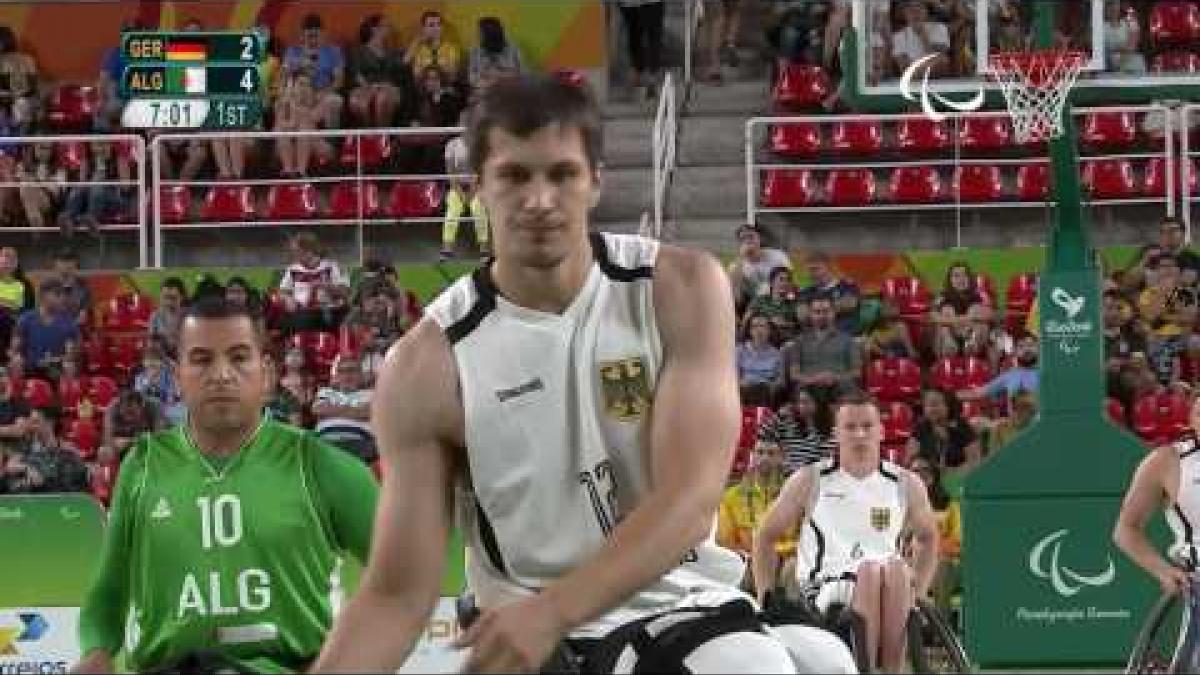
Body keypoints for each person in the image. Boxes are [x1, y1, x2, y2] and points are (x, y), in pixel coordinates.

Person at [312, 74, 802, 673]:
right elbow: (396, 596)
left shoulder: (680, 288)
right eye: (515, 176)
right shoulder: (427, 365)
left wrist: (554, 610)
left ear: (596, 180)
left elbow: (689, 503)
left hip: (685, 608)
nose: (539, 199)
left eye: (561, 174)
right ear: (476, 188)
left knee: (819, 660)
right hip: (537, 644)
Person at [71, 297, 379, 674]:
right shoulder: (142, 464)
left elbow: (405, 580)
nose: (221, 374)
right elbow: (109, 592)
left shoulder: (319, 464)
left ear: (266, 372)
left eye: (238, 357)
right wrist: (95, 654)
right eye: (201, 360)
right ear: (178, 374)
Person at [753, 392, 940, 674]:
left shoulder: (906, 484)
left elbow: (928, 537)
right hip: (825, 585)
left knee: (892, 572)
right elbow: (765, 535)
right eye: (850, 427)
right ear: (836, 434)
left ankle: (893, 669)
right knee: (871, 572)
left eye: (867, 426)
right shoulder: (809, 479)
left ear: (881, 431)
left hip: (889, 582)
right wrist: (764, 595)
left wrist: (922, 590)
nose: (859, 434)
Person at [1114, 391, 1200, 597]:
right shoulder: (1168, 461)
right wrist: (1163, 571)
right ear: (1191, 420)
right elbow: (1126, 529)